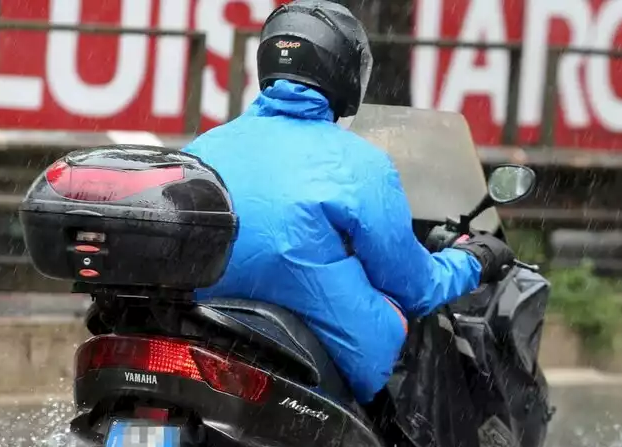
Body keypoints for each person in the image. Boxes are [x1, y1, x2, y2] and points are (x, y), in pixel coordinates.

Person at [184, 0, 515, 404]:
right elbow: (415, 286)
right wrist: (474, 259)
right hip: (312, 367)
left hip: (207, 340)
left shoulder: (204, 147)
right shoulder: (360, 164)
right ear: (343, 71)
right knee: (394, 340)